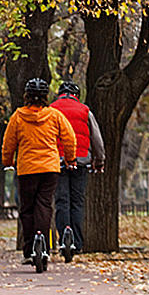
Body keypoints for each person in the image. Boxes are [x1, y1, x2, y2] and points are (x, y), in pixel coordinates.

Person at [1, 78, 77, 265]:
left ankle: (29, 250)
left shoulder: (18, 117)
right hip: (50, 168)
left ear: (26, 96)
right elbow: (69, 138)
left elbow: (8, 143)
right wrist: (70, 159)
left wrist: (8, 161)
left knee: (27, 208)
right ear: (45, 96)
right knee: (44, 205)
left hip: (27, 169)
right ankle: (42, 243)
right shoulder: (54, 116)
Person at [50, 81, 105, 255]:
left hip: (57, 160)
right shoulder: (85, 110)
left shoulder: (51, 109)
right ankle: (77, 242)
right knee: (77, 202)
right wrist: (99, 160)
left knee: (61, 201)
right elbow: (96, 137)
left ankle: (64, 239)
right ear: (76, 95)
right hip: (81, 160)